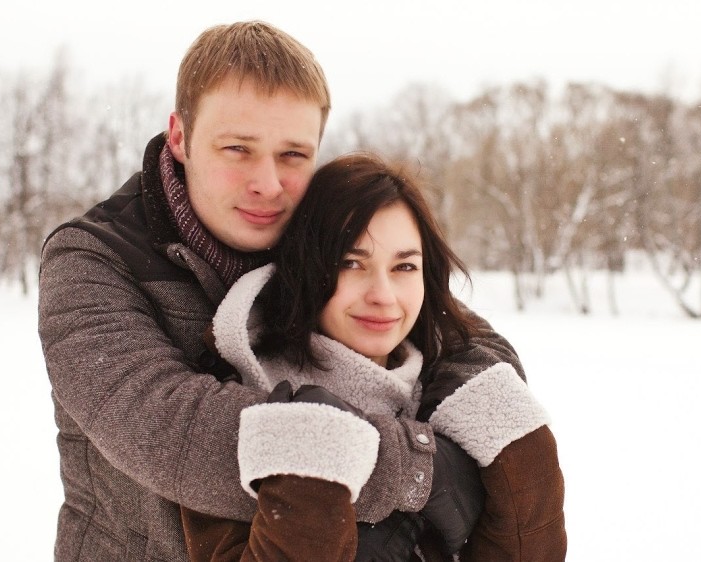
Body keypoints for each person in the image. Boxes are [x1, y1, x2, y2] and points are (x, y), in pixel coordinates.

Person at [38, 21, 533, 561]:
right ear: (179, 136)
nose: (268, 184)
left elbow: (463, 338)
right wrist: (424, 467)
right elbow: (169, 431)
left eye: (293, 155)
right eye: (238, 148)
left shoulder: (312, 231)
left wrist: (472, 415)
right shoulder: (92, 259)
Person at [180, 153, 567, 561]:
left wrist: (524, 460)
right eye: (351, 263)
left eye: (404, 266)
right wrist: (311, 473)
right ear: (304, 268)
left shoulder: (463, 404)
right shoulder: (239, 403)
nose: (383, 295)